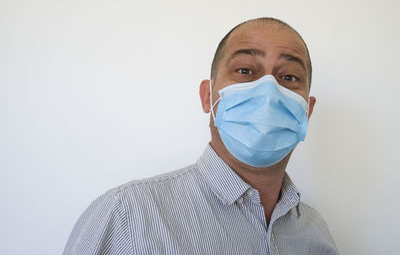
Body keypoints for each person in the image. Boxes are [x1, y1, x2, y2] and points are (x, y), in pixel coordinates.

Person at [64, 18, 339, 255]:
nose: (268, 93)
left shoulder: (315, 233)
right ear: (208, 96)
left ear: (307, 111)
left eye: (289, 77)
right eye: (245, 71)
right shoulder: (127, 216)